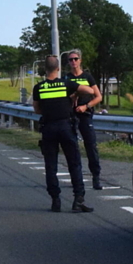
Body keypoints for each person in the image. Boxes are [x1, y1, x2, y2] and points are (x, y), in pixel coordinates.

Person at [32, 55, 96, 213]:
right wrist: (75, 95)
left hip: (48, 128)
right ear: (58, 68)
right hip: (66, 127)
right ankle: (78, 199)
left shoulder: (38, 88)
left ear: (44, 69)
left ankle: (55, 200)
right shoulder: (66, 83)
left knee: (50, 166)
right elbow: (89, 91)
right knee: (74, 163)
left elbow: (37, 109)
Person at [64, 49, 104, 190]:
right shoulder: (66, 78)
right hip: (71, 116)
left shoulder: (87, 77)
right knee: (72, 147)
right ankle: (76, 177)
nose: (73, 62)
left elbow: (98, 96)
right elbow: (63, 97)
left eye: (75, 59)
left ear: (80, 60)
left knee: (91, 145)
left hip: (85, 115)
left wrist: (86, 106)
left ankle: (96, 177)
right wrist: (73, 96)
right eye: (70, 59)